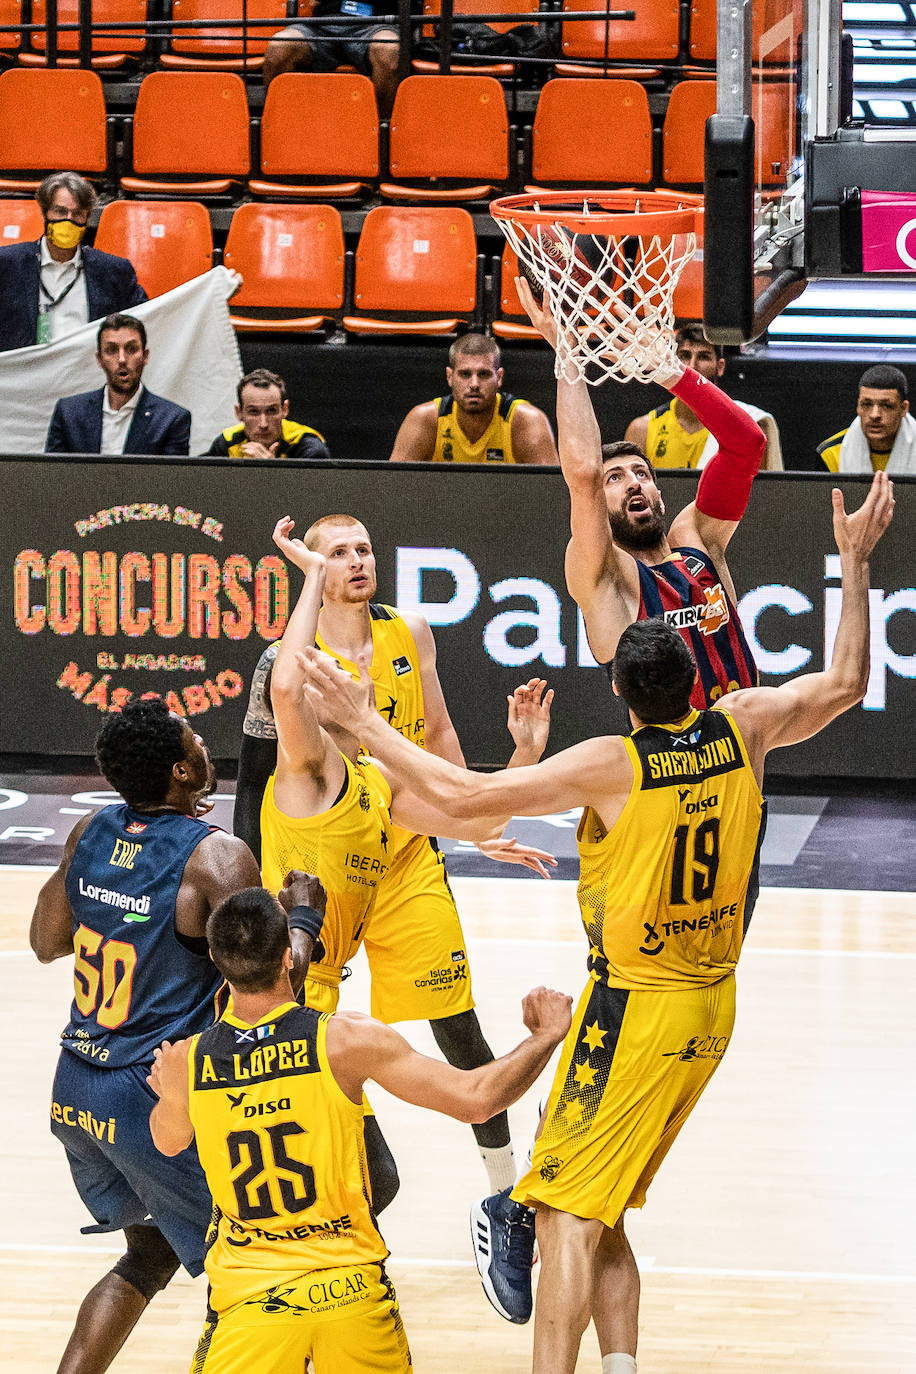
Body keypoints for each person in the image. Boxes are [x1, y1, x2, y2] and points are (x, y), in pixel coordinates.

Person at [299, 470, 894, 1365]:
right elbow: (847, 677)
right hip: (711, 1005)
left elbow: (464, 796)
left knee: (562, 1214)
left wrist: (364, 724)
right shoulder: (744, 725)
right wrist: (853, 562)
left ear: (619, 688)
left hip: (635, 1007)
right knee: (601, 1200)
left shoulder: (615, 764)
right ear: (698, 676)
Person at [242, 514, 555, 1199]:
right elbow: (257, 768)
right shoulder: (293, 665)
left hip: (405, 848)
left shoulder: (408, 631)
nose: (356, 561)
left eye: (364, 549)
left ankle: (504, 1192)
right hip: (322, 865)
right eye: (338, 554)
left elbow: (438, 733)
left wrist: (474, 808)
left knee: (456, 1025)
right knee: (301, 1026)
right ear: (314, 571)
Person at [148, 887, 573, 1374]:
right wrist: (544, 1037)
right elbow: (478, 1099)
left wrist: (168, 1092)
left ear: (218, 965)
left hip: (249, 1301)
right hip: (348, 1292)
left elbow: (167, 1140)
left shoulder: (188, 1059)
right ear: (289, 956)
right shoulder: (345, 1041)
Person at [28, 694, 286, 1374]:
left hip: (75, 1087)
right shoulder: (217, 858)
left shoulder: (89, 833)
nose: (205, 745)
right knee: (253, 1266)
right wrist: (309, 922)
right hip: (152, 1096)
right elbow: (265, 987)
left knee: (149, 1254)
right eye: (195, 738)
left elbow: (45, 942)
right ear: (181, 770)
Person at [517, 276, 765, 709]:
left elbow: (747, 445)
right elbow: (583, 475)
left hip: (745, 761)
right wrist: (567, 353)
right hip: (669, 771)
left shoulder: (698, 540)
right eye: (616, 479)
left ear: (659, 493)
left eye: (641, 473)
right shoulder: (605, 573)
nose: (633, 481)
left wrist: (672, 374)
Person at [0, 173, 146, 353]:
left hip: (87, 375)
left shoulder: (114, 271)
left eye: (77, 214)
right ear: (45, 213)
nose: (68, 220)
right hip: (28, 375)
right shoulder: (7, 265)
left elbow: (146, 321)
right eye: (60, 211)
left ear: (87, 218)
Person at [624, 323, 782, 472]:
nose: (692, 366)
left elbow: (758, 493)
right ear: (672, 362)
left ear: (720, 367)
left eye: (703, 357)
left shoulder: (745, 426)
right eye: (685, 355)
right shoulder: (642, 429)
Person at [389, 333, 559, 465]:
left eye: (484, 374)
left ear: (499, 377)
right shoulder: (425, 419)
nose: (474, 384)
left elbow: (553, 493)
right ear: (449, 376)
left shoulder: (526, 420)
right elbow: (393, 488)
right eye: (465, 374)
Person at [44, 313, 192, 456]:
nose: (122, 359)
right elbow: (53, 476)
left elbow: (170, 480)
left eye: (131, 349)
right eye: (111, 350)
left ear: (145, 356)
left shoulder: (171, 419)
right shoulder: (69, 413)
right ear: (100, 359)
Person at [263, 1, 401, 118]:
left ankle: (380, 131)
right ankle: (283, 128)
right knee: (280, 47)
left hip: (377, 22)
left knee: (389, 49)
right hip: (323, 22)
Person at [204, 368, 330, 461]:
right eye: (253, 412)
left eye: (271, 411)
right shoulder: (227, 443)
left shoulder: (308, 447)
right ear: (239, 413)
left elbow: (310, 495)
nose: (263, 424)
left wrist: (271, 471)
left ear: (285, 409)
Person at [816, 363, 915, 473]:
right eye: (867, 404)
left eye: (886, 406)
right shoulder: (831, 453)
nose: (874, 415)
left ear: (904, 408)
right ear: (858, 406)